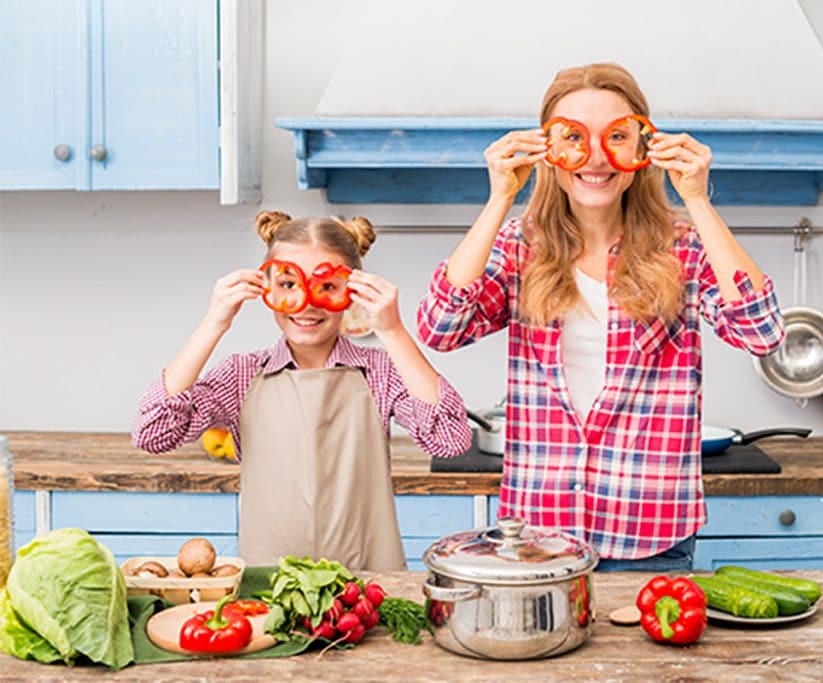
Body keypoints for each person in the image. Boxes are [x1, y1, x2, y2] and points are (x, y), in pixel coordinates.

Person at [416, 63, 784, 571]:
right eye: (573, 137)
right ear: (548, 150)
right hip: (538, 536)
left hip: (650, 534)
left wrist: (696, 198)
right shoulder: (520, 246)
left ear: (642, 146)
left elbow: (760, 331)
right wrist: (499, 198)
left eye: (614, 136)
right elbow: (440, 326)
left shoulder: (683, 248)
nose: (593, 158)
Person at [133, 211, 471, 570]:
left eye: (327, 286)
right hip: (270, 594)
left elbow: (450, 440)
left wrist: (393, 331)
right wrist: (214, 323)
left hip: (369, 591)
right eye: (289, 284)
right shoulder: (241, 375)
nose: (307, 303)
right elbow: (152, 433)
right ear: (267, 287)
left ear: (351, 291)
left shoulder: (380, 371)